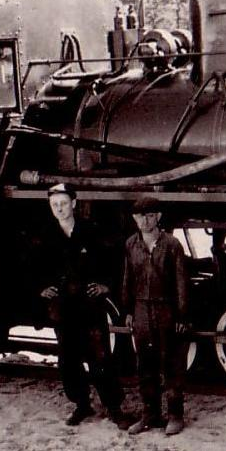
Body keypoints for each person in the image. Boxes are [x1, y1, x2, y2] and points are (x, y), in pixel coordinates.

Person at [39, 184, 134, 429]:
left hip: (89, 304)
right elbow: (32, 266)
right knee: (68, 358)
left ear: (74, 202)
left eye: (63, 203)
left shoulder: (91, 231)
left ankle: (114, 407)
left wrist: (106, 286)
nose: (59, 209)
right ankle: (82, 404)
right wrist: (41, 287)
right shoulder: (46, 234)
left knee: (100, 355)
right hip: (62, 306)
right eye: (54, 205)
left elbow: (114, 261)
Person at [122, 196, 190, 436]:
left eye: (150, 215)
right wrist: (128, 310)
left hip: (166, 309)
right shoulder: (131, 244)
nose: (145, 221)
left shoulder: (172, 245)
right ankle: (149, 415)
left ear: (158, 217)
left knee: (171, 364)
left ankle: (175, 415)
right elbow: (127, 278)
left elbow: (182, 282)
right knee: (145, 365)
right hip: (141, 309)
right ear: (134, 218)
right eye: (140, 216)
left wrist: (182, 315)